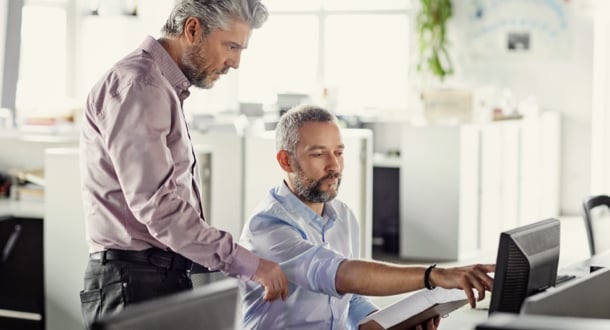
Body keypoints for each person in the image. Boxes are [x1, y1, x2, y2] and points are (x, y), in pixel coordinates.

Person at [79, 0, 288, 327]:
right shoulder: (140, 85)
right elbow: (158, 208)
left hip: (151, 275)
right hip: (134, 281)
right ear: (192, 29)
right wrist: (248, 264)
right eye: (231, 46)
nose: (234, 62)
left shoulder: (159, 86)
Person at [239, 105, 496, 330]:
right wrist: (433, 275)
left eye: (338, 153)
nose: (334, 166)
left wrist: (387, 323)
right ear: (286, 160)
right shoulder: (266, 225)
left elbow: (350, 298)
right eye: (319, 154)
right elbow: (338, 275)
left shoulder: (342, 216)